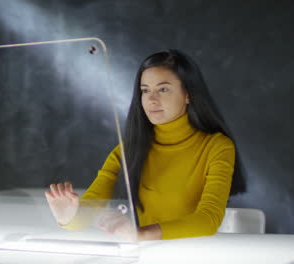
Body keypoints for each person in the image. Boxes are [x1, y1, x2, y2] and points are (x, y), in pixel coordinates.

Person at [45, 49, 246, 242]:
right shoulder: (126, 151)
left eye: (163, 89)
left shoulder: (217, 147)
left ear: (188, 94)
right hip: (143, 255)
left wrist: (140, 234)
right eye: (145, 90)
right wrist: (67, 216)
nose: (151, 99)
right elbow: (89, 209)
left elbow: (208, 220)